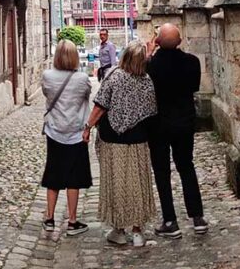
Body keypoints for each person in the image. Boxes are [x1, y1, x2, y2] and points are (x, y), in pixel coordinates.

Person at [82, 41, 158, 247]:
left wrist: (88, 127)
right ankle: (138, 231)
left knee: (117, 183)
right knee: (138, 183)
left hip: (114, 140)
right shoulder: (146, 80)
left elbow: (100, 107)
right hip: (139, 140)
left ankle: (119, 229)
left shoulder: (114, 78)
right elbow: (150, 112)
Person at [146, 23, 207, 237]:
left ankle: (170, 220)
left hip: (159, 125)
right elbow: (194, 87)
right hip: (184, 123)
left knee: (162, 172)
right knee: (186, 167)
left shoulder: (151, 66)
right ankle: (197, 217)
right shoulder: (192, 62)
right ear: (180, 41)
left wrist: (148, 54)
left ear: (158, 42)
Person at [41, 39, 93, 236]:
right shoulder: (81, 78)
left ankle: (50, 218)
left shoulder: (47, 76)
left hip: (54, 131)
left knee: (53, 174)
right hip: (76, 133)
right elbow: (86, 95)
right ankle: (72, 221)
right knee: (74, 178)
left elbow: (47, 94)